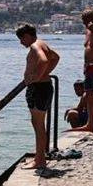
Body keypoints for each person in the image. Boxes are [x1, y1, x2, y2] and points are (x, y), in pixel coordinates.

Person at [15, 23, 60, 171]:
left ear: (27, 35)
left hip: (39, 88)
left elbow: (44, 60)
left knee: (38, 125)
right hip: (44, 87)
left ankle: (40, 160)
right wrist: (45, 73)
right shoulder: (42, 44)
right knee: (39, 125)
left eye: (21, 39)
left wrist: (36, 77)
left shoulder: (35, 46)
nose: (21, 43)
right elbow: (55, 57)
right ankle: (39, 158)